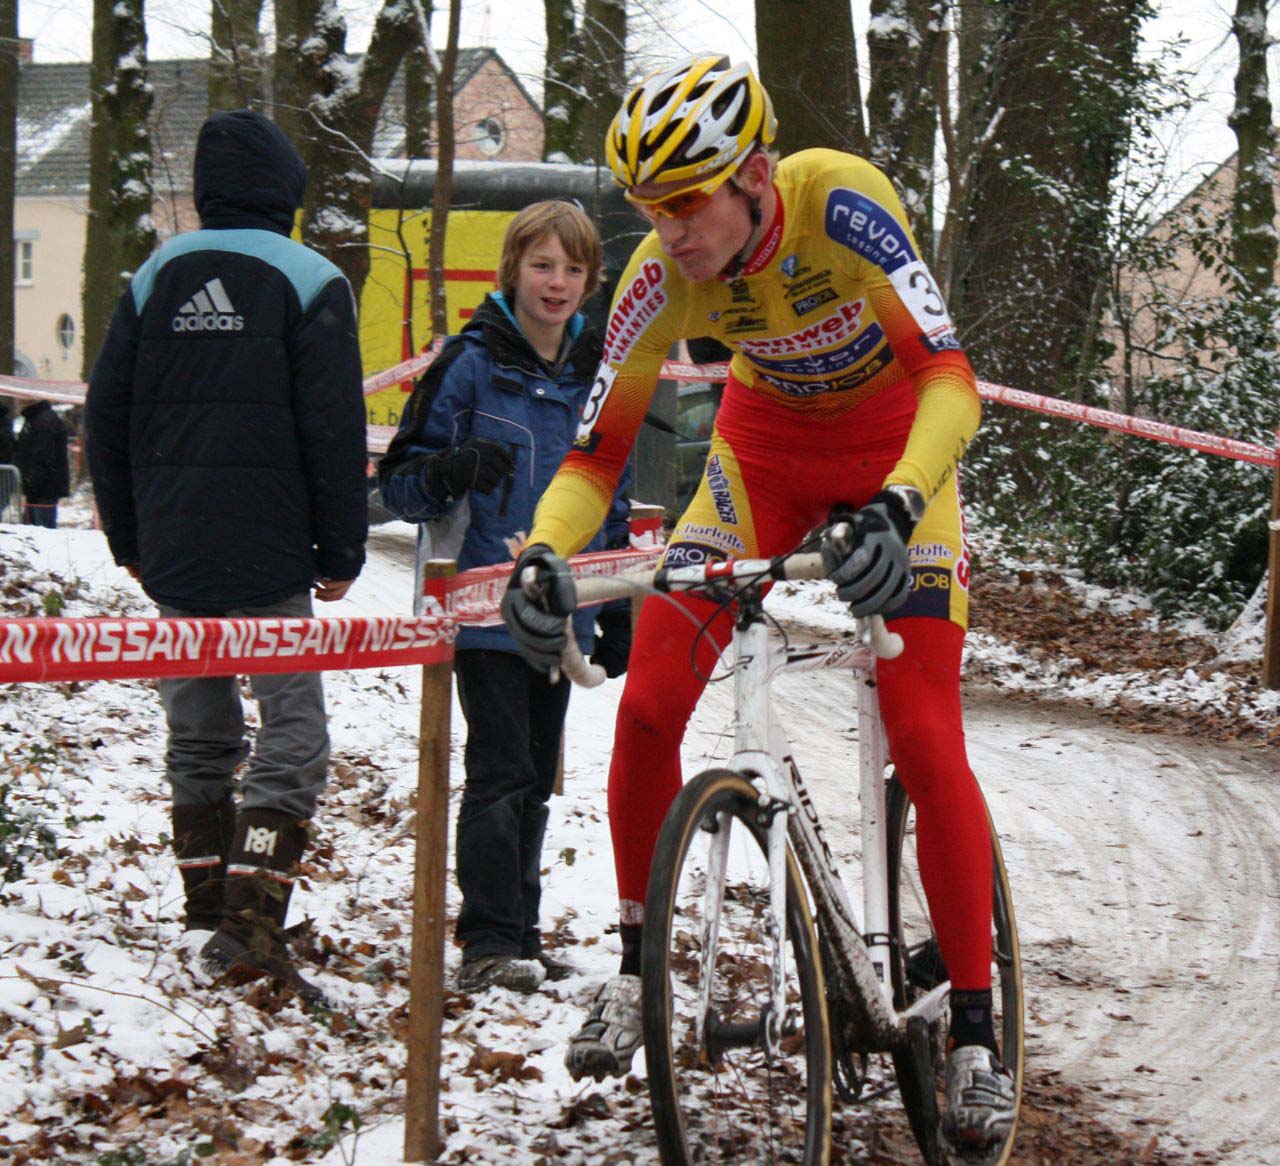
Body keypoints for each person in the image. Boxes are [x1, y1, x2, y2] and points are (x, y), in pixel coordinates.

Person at [500, 56, 1016, 1153]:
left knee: (924, 735)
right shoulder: (659, 272)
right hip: (760, 463)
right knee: (647, 707)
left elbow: (950, 381)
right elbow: (594, 451)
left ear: (754, 175)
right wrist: (541, 555)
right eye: (649, 209)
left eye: (686, 204)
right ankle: (635, 965)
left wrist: (896, 505)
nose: (668, 231)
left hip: (895, 465)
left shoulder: (841, 204)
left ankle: (973, 1023)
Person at [84, 109, 368, 1007]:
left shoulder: (153, 277)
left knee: (199, 731)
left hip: (174, 551)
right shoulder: (313, 279)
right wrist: (342, 544)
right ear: (287, 190)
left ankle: (204, 910)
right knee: (293, 733)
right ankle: (250, 924)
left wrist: (131, 539)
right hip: (273, 551)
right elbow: (333, 429)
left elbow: (106, 419)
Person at [379, 200, 633, 995]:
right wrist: (455, 467)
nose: (557, 283)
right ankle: (487, 940)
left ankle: (521, 930)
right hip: (483, 602)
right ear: (512, 270)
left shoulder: (602, 372)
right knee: (500, 769)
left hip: (563, 606)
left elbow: (615, 488)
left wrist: (620, 598)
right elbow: (399, 485)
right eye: (542, 265)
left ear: (591, 283)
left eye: (573, 269)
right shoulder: (469, 363)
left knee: (536, 773)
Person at [14, 398, 70, 527]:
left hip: (44, 488)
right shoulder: (34, 419)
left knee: (42, 529)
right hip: (38, 487)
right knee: (35, 527)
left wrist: (31, 481)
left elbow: (43, 456)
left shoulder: (43, 421)